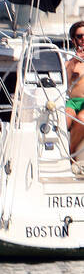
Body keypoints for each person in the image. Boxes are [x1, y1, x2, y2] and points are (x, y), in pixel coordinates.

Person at [65, 20, 84, 173]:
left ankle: (71, 154)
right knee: (64, 118)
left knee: (82, 119)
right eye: (80, 36)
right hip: (73, 102)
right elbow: (67, 76)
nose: (83, 39)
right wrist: (74, 61)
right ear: (74, 40)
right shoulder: (70, 62)